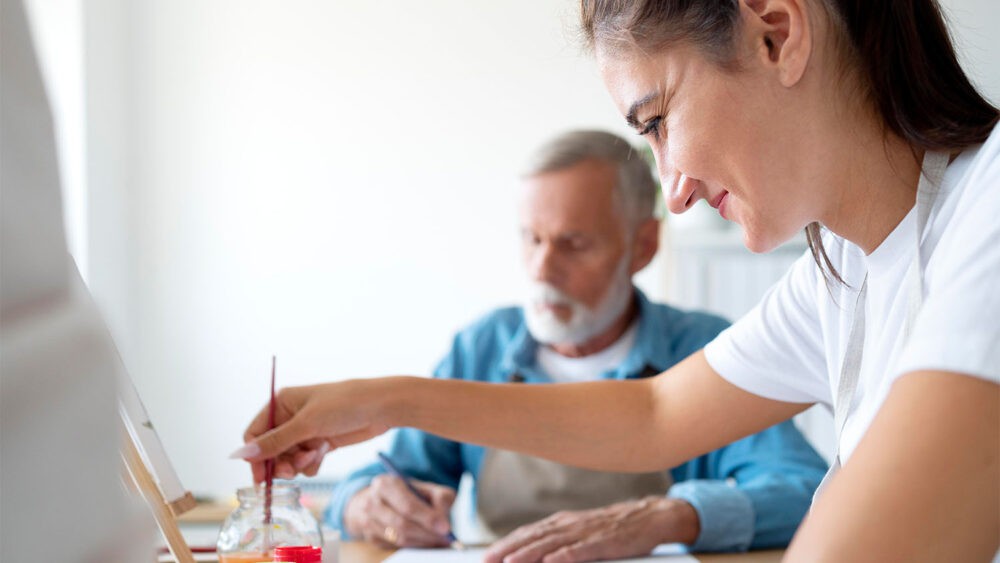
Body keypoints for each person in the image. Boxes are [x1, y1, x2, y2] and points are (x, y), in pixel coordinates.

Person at [234, 1, 1000, 560]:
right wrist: (380, 399)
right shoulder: (842, 272)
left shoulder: (987, 209)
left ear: (776, 31)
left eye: (659, 121)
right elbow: (657, 410)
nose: (676, 189)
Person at [322, 130, 827, 554]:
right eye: (532, 239)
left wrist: (670, 517)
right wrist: (366, 502)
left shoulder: (703, 347)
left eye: (574, 244)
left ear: (643, 246)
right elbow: (372, 480)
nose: (543, 270)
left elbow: (805, 489)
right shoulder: (480, 348)